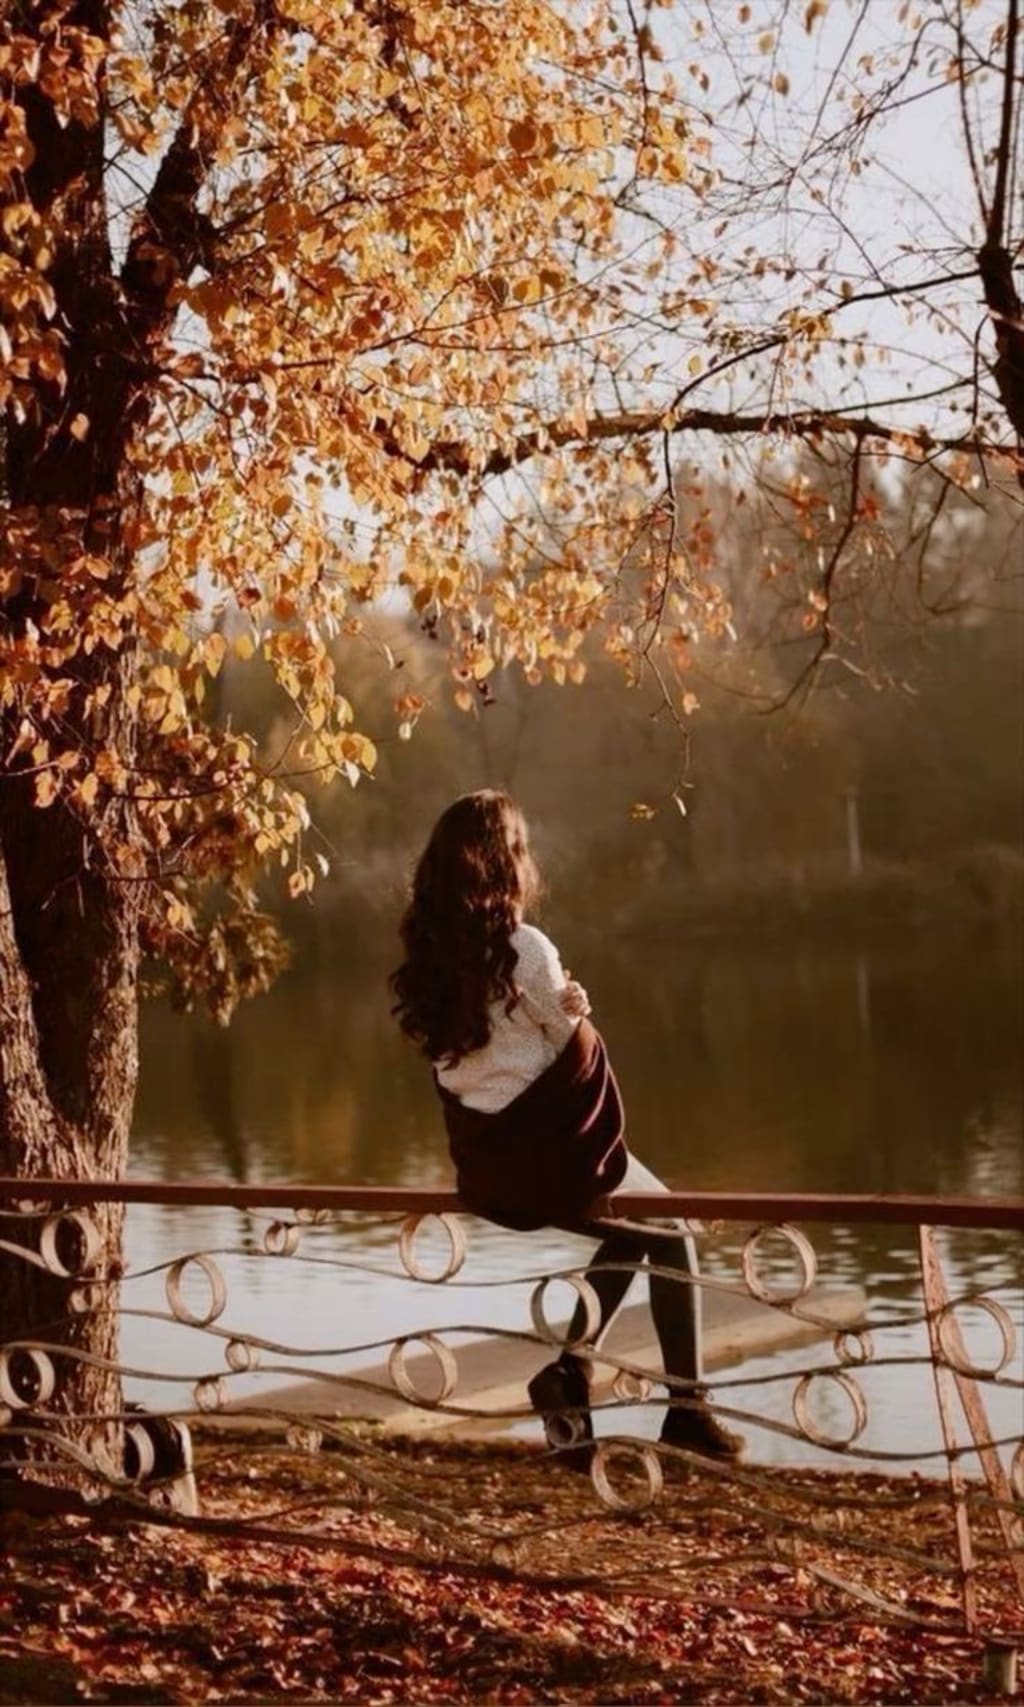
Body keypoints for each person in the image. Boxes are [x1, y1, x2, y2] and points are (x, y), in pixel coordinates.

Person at [390, 789, 742, 1465]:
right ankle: (685, 1410)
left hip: (487, 1166)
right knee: (674, 1232)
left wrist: (561, 1006)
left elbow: (479, 1055)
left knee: (635, 1233)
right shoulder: (525, 948)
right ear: (504, 861)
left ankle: (571, 1374)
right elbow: (563, 1040)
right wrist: (577, 1009)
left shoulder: (433, 967)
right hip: (550, 1153)